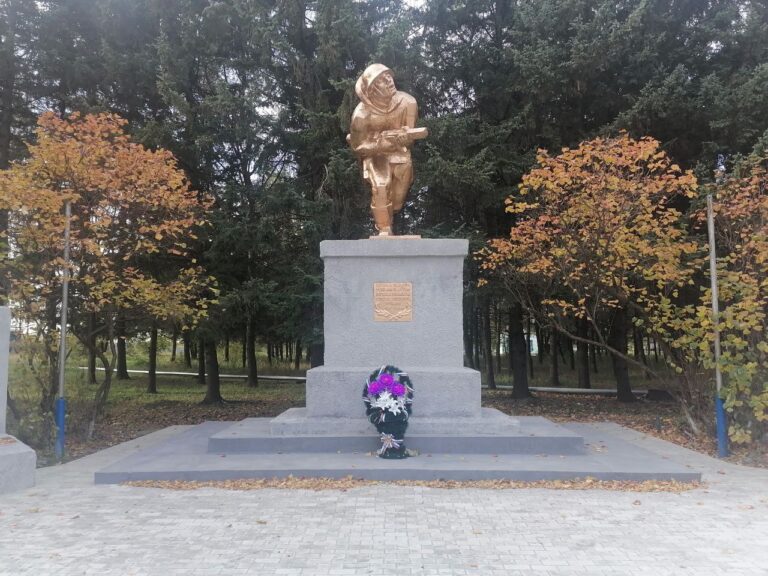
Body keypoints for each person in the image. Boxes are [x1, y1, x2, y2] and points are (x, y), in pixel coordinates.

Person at [347, 64, 427, 235]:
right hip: (376, 155)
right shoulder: (361, 115)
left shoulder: (408, 102)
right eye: (382, 80)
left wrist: (406, 138)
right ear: (372, 90)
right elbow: (357, 146)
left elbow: (410, 137)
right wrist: (380, 145)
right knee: (381, 187)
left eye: (388, 76)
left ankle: (388, 218)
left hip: (400, 155)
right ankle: (384, 228)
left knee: (397, 202)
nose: (389, 80)